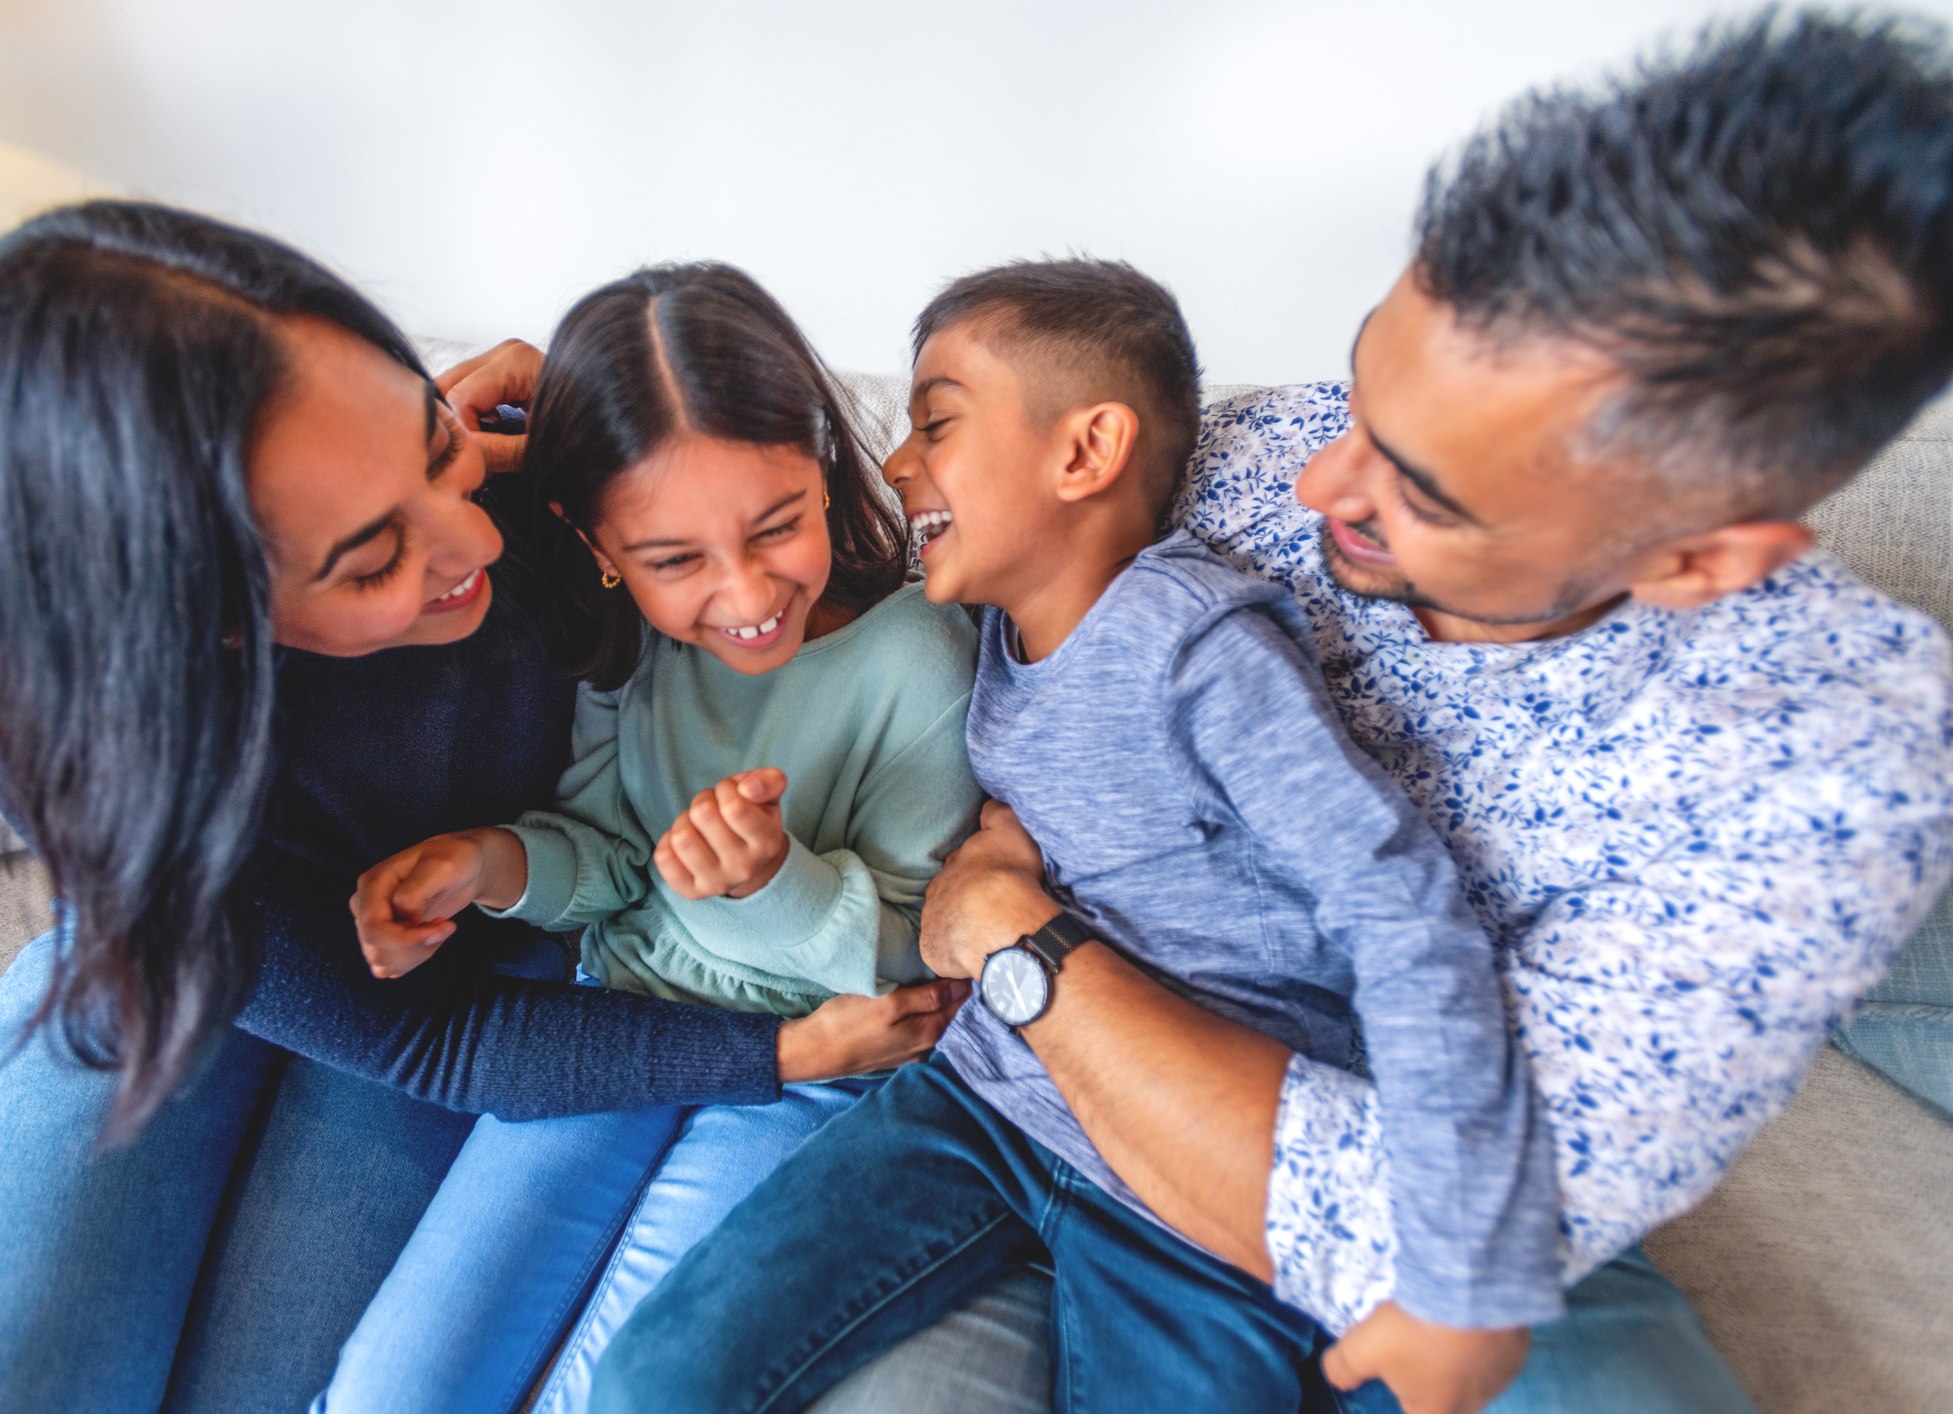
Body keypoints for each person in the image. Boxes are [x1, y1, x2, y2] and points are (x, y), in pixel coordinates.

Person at [592, 13, 1953, 1414]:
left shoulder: (1837, 757)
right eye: (1357, 389)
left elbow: (1427, 1169)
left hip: (1422, 1161)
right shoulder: (1254, 462)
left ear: (1694, 560)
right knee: (657, 1376)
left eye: (1422, 489)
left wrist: (1013, 934)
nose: (1316, 484)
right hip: (1005, 1095)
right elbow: (972, 567)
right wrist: (562, 449)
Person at [0, 203, 968, 1414]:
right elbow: (421, 1042)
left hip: (476, 971)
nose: (475, 534)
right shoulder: (92, 751)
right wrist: (776, 1051)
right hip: (211, 966)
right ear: (211, 616)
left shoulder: (573, 515)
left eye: (437, 445)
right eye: (374, 558)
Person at [591, 255, 1558, 1414]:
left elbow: (1398, 900)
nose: (897, 466)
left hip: (1187, 1177)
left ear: (1085, 452)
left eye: (936, 422)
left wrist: (1454, 1257)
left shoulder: (1201, 647)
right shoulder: (990, 635)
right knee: (656, 1377)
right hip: (983, 1102)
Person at [320, 263, 983, 1414]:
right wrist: (490, 863)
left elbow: (922, 953)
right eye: (675, 559)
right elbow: (608, 855)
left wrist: (773, 881)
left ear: (824, 470)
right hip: (622, 1022)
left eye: (777, 527)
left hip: (817, 1067)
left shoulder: (918, 656)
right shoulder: (633, 648)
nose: (744, 593)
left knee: (632, 1393)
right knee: (392, 1389)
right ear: (597, 545)